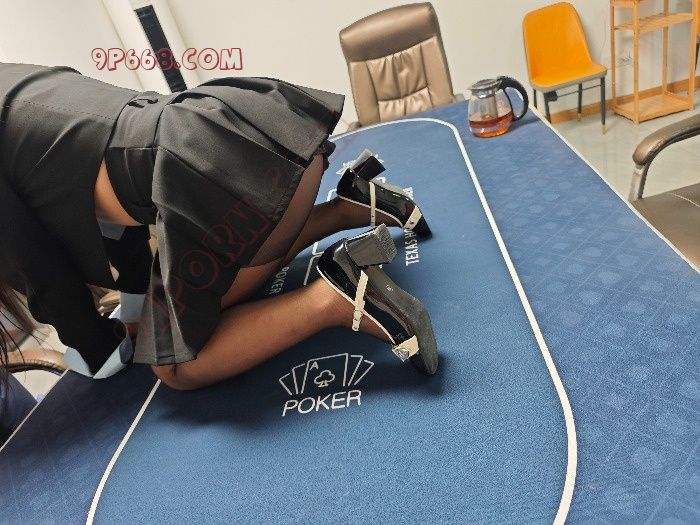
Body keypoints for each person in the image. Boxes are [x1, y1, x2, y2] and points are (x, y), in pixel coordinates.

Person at [0, 62, 437, 393]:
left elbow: (33, 261)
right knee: (209, 278)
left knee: (173, 365)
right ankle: (347, 207)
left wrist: (95, 348)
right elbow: (105, 182)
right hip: (263, 134)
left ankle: (335, 296)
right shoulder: (15, 78)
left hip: (212, 182)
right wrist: (135, 308)